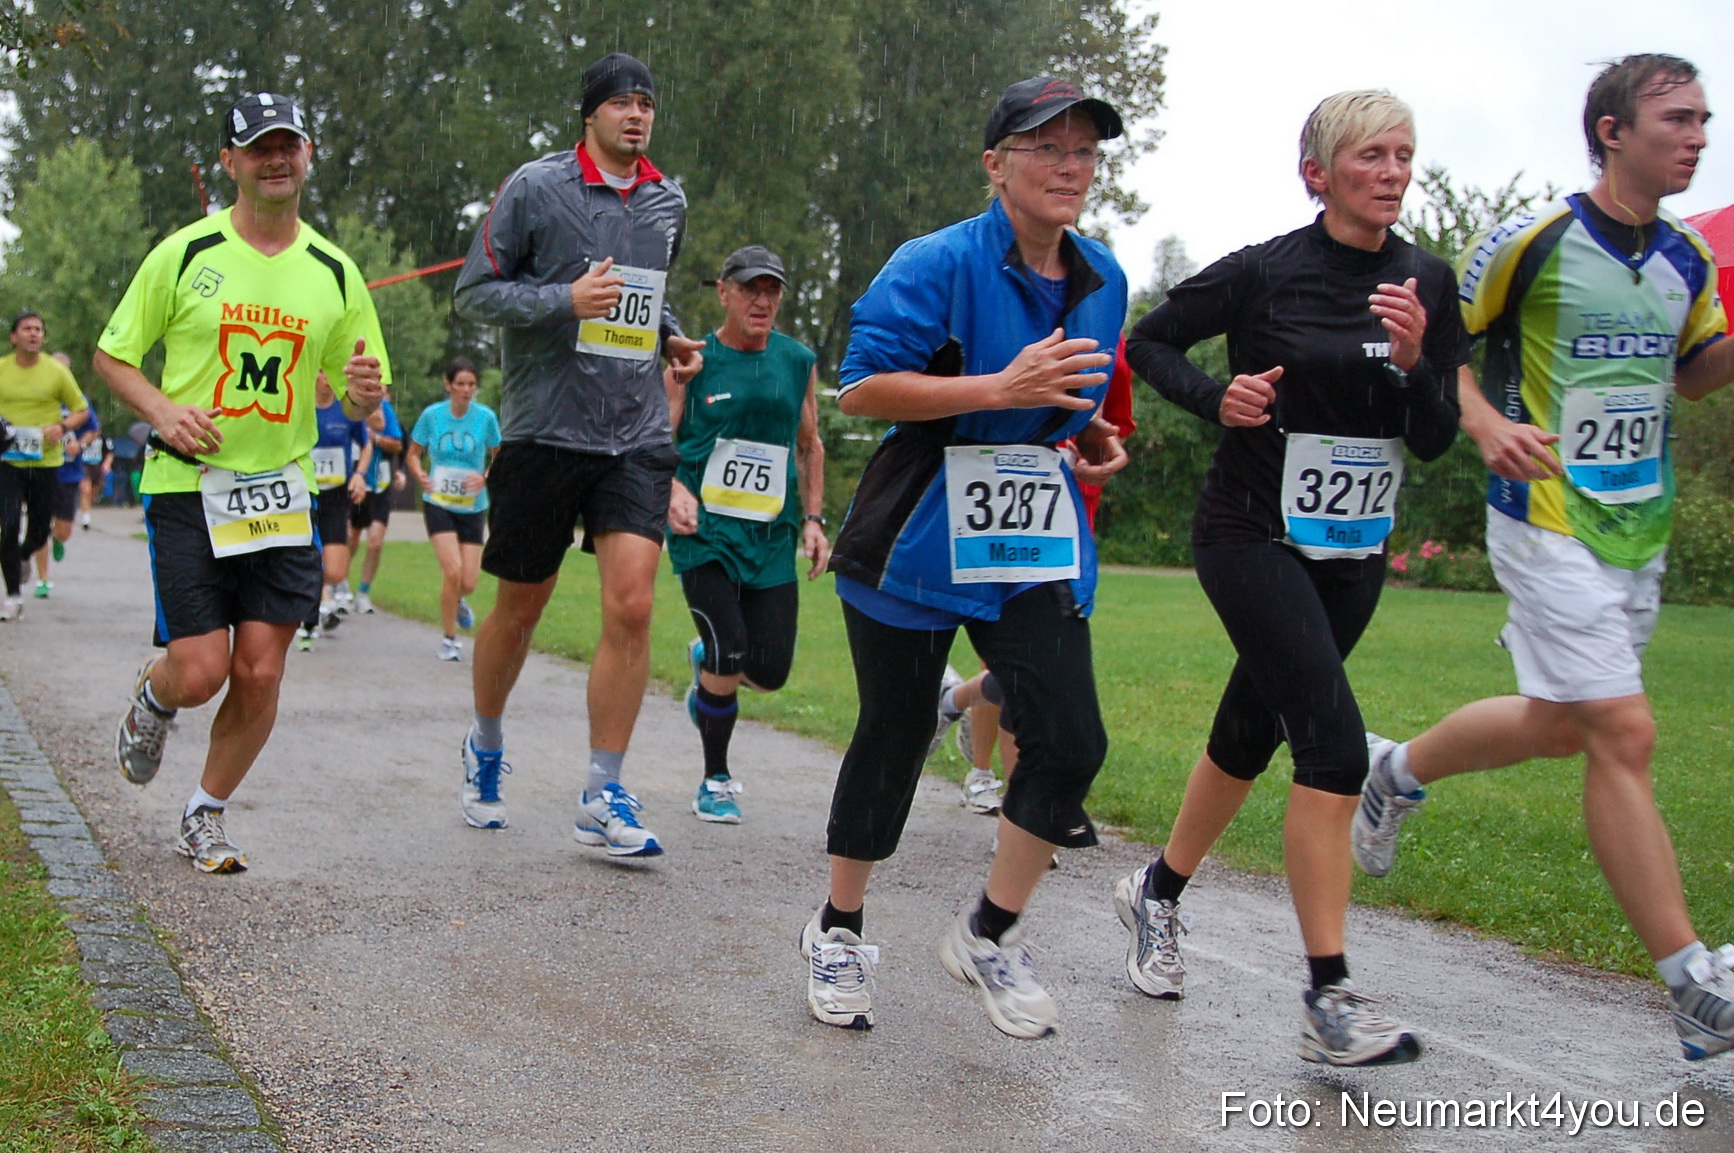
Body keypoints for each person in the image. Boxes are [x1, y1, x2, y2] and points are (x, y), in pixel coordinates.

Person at [1353, 55, 1734, 1062]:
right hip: (1543, 511)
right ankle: (1693, 983)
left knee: (1566, 724)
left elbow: (1695, 376)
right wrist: (1482, 425)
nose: (1697, 134)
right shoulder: (1534, 241)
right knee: (1623, 729)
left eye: (1705, 119)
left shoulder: (1689, 258)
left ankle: (1395, 768)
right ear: (1612, 131)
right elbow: (1444, 348)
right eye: (1677, 119)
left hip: (1635, 526)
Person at [1122, 89, 1470, 1066]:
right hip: (1250, 533)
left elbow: (1437, 440)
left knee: (1249, 729)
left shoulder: (1426, 282)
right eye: (1371, 156)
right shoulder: (1267, 271)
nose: (1393, 172)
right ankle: (1330, 998)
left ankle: (1156, 892)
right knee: (1330, 748)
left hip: (1352, 554)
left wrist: (1414, 365)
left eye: (1405, 153)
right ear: (1318, 173)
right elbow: (1148, 339)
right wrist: (1214, 396)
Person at [802, 77, 1128, 1038]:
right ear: (996, 166)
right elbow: (862, 389)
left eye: (1084, 151)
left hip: (1026, 531)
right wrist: (998, 383)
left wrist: (1089, 434)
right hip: (915, 528)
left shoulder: (1103, 276)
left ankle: (988, 932)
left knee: (1071, 739)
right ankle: (839, 924)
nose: (1070, 166)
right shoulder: (935, 261)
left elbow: (1066, 399)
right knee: (895, 734)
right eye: (1046, 148)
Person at [99, 92, 388, 873]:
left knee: (261, 668)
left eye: (288, 144)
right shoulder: (185, 254)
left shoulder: (334, 271)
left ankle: (205, 812)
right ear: (229, 162)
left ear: (308, 156)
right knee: (201, 669)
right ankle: (156, 698)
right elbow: (112, 355)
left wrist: (364, 389)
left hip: (281, 492)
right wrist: (161, 409)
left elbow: (363, 392)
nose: (276, 158)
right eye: (258, 146)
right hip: (189, 485)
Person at [451, 52, 703, 850]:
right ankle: (485, 743)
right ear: (589, 114)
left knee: (631, 604)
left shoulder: (668, 201)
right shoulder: (536, 187)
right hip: (543, 431)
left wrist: (667, 337)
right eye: (622, 102)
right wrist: (565, 299)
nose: (637, 115)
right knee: (519, 609)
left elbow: (644, 293)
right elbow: (474, 292)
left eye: (647, 104)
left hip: (632, 433)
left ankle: (604, 790)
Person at [934, 336, 1138, 817]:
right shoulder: (997, 312)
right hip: (987, 501)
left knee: (1026, 670)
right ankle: (1006, 792)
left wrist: (1104, 454)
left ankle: (954, 702)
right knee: (1011, 668)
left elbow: (1116, 426)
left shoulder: (1109, 338)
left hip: (1062, 522)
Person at [667, 244, 828, 825]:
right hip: (703, 531)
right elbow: (659, 439)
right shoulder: (691, 359)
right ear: (725, 292)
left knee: (770, 671)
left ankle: (707, 665)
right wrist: (670, 490)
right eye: (750, 289)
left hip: (769, 537)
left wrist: (813, 520)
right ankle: (715, 777)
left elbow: (809, 444)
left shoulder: (796, 360)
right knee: (729, 651)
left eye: (773, 291)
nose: (762, 301)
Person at [406, 358, 500, 663]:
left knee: (468, 582)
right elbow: (413, 453)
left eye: (471, 384)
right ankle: (449, 639)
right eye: (459, 384)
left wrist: (484, 476)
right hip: (439, 503)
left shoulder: (485, 418)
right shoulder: (432, 416)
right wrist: (419, 473)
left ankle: (457, 599)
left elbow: (499, 455)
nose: (466, 390)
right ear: (448, 385)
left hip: (473, 506)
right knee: (453, 571)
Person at [0, 312, 90, 619]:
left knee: (39, 531)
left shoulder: (55, 371)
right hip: (8, 461)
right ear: (14, 337)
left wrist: (63, 428)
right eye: (27, 329)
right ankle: (13, 597)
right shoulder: (2, 369)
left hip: (45, 461)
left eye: (38, 329)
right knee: (9, 524)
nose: (34, 334)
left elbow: (81, 411)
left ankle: (21, 557)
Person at [295, 371, 373, 651]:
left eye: (332, 372)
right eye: (321, 372)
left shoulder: (345, 409)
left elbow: (366, 445)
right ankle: (309, 623)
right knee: (311, 561)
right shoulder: (300, 407)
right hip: (303, 496)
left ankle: (320, 599)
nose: (327, 378)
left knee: (336, 571)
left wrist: (360, 475)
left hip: (336, 497)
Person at [342, 393, 404, 614]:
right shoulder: (346, 405)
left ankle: (363, 593)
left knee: (375, 542)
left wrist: (375, 438)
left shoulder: (385, 407)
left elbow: (397, 444)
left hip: (380, 483)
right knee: (351, 537)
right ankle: (340, 584)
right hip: (356, 481)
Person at [77, 399, 112, 528]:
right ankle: (86, 519)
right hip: (84, 464)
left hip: (96, 465)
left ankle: (85, 509)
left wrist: (107, 464)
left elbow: (109, 452)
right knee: (85, 490)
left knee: (93, 491)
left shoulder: (104, 438)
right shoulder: (82, 435)